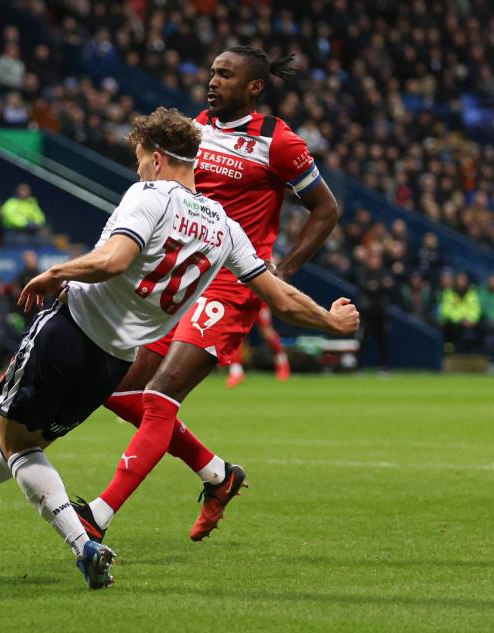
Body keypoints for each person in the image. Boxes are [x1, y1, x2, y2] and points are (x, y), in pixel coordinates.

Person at [0, 108, 358, 589]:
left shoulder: (149, 195)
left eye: (140, 158)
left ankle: (82, 542)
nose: (139, 168)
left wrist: (57, 272)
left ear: (158, 157)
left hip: (69, 330)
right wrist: (330, 320)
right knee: (29, 443)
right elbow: (281, 297)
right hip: (112, 363)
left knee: (18, 446)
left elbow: (115, 259)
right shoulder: (227, 227)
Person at [84, 47, 340, 543]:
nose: (213, 80)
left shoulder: (279, 142)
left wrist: (280, 272)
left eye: (226, 74)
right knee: (115, 391)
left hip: (231, 281)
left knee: (160, 398)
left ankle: (98, 514)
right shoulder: (197, 128)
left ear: (254, 87)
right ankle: (218, 474)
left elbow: (325, 209)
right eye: (212, 72)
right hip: (182, 278)